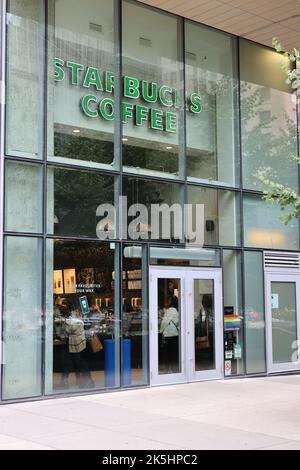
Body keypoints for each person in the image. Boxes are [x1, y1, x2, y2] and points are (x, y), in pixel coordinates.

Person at [58, 296, 95, 389]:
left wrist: (65, 323)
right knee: (77, 361)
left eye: (66, 304)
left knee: (80, 361)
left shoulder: (75, 314)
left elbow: (72, 328)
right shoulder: (79, 312)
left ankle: (88, 382)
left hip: (77, 341)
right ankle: (85, 381)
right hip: (78, 341)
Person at [159, 296, 179, 372]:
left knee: (168, 352)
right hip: (175, 333)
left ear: (171, 302)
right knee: (174, 352)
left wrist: (161, 331)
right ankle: (175, 369)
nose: (167, 302)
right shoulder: (177, 309)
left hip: (169, 334)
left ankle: (169, 368)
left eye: (168, 300)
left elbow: (164, 322)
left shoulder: (170, 310)